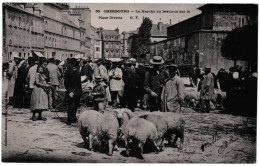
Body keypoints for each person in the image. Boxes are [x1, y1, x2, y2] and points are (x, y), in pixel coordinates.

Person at [64, 58, 82, 125]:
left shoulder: (75, 71)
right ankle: (69, 120)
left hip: (76, 91)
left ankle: (73, 118)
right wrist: (70, 91)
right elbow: (67, 83)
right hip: (73, 92)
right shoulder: (69, 71)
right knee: (71, 106)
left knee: (74, 106)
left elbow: (78, 83)